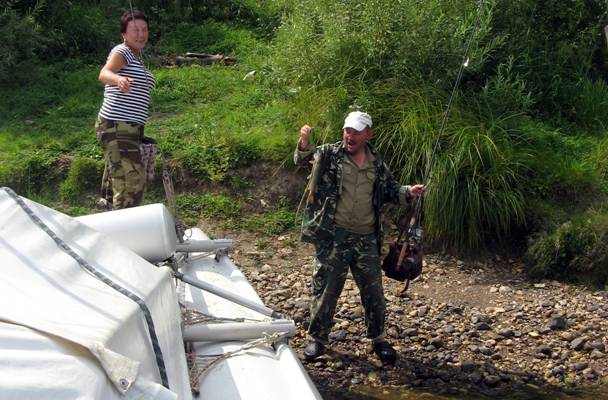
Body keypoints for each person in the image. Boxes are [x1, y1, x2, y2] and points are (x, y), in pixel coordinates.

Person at [294, 111, 425, 365]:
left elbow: (390, 191)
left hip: (366, 239)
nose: (350, 136)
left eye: (356, 131)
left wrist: (409, 192)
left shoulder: (377, 163)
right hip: (334, 237)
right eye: (347, 130)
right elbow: (303, 159)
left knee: (374, 292)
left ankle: (378, 339)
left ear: (368, 134)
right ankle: (317, 339)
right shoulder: (330, 153)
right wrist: (304, 144)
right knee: (325, 289)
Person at [95, 10, 155, 209]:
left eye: (144, 29)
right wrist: (118, 79)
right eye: (135, 30)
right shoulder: (122, 51)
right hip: (116, 125)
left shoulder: (137, 56)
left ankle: (110, 221)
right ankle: (124, 226)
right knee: (131, 182)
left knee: (119, 177)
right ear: (124, 34)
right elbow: (104, 73)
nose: (141, 34)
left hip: (129, 129)